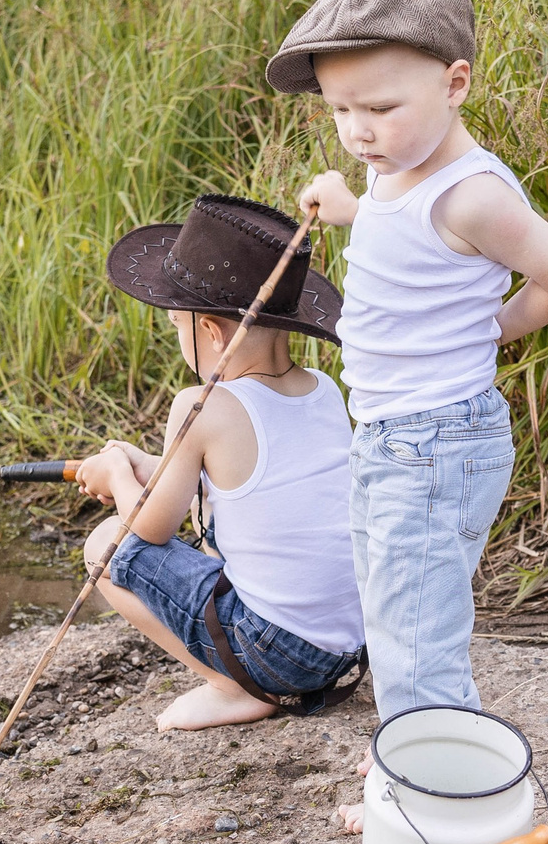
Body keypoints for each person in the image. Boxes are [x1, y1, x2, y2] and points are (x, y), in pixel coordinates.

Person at [276, 0, 548, 829]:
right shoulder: (396, 173)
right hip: (386, 436)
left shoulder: (474, 195)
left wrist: (489, 330)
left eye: (380, 109)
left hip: (438, 441)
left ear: (455, 84)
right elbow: (394, 222)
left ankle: (446, 803)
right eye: (341, 111)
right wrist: (345, 205)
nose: (359, 132)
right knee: (389, 614)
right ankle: (417, 766)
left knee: (418, 639)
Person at [74, 194, 368, 732]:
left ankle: (233, 686)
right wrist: (147, 462)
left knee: (105, 542)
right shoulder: (324, 390)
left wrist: (117, 474)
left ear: (210, 331)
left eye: (178, 330)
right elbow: (248, 484)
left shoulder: (200, 405)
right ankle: (246, 675)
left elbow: (151, 528)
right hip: (349, 647)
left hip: (278, 656)